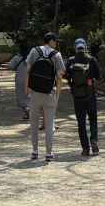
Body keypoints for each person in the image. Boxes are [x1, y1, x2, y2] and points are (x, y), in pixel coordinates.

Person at [25, 32, 65, 161]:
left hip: (34, 91)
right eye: (55, 42)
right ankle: (48, 153)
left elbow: (27, 70)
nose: (56, 44)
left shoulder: (34, 51)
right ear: (51, 41)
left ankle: (35, 151)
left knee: (34, 121)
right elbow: (59, 77)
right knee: (49, 122)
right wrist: (58, 93)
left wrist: (26, 88)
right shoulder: (56, 55)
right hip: (49, 92)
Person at [67, 38, 101, 156]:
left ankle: (85, 148)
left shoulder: (71, 61)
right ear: (86, 47)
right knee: (93, 118)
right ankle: (93, 138)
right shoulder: (92, 60)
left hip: (77, 95)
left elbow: (67, 76)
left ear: (75, 48)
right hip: (90, 93)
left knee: (81, 122)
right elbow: (98, 76)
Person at [8, 44, 30, 120]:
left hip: (19, 78)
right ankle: (29, 107)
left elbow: (10, 66)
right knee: (31, 95)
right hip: (30, 78)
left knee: (21, 96)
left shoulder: (16, 58)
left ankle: (25, 112)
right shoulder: (31, 58)